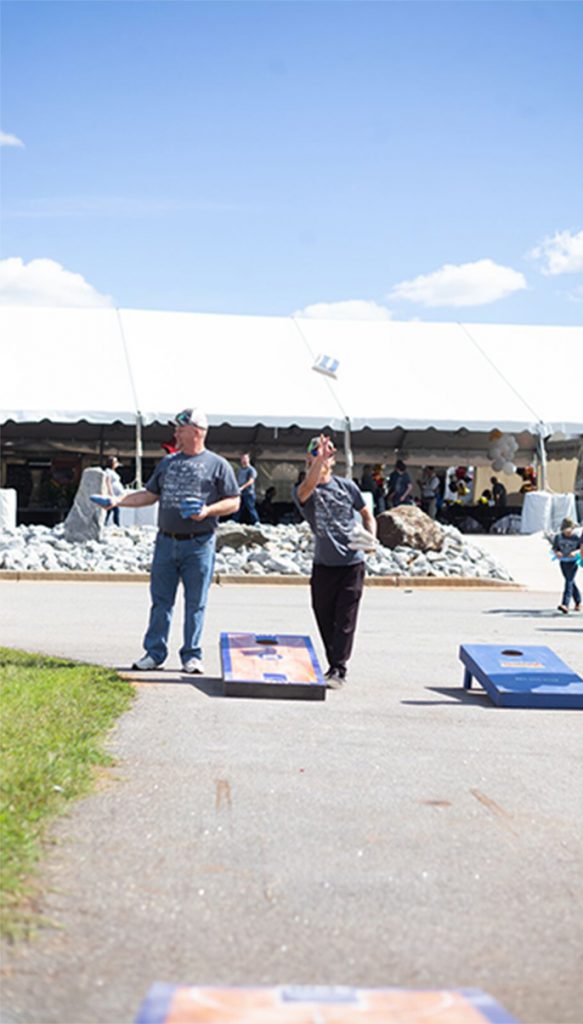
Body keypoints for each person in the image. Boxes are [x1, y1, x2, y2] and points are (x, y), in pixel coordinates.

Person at [103, 407, 240, 673]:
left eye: (181, 427)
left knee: (195, 602)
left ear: (197, 431)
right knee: (160, 601)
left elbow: (234, 502)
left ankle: (191, 655)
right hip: (166, 541)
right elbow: (149, 494)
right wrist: (117, 501)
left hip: (199, 544)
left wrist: (207, 511)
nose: (175, 432)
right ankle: (154, 653)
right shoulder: (168, 463)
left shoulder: (217, 465)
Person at [294, 433, 377, 690]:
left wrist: (371, 538)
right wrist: (319, 456)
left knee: (345, 619)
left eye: (329, 450)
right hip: (324, 565)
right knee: (323, 615)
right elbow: (309, 485)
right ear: (310, 458)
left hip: (352, 563)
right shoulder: (304, 490)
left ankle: (338, 668)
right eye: (317, 451)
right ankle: (333, 663)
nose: (324, 453)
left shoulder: (347, 486)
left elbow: (366, 514)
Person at [552, 517, 581, 614]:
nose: (568, 532)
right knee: (570, 581)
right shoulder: (558, 537)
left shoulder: (576, 538)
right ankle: (578, 601)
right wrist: (557, 552)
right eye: (566, 530)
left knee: (568, 581)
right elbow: (555, 548)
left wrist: (575, 552)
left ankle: (565, 604)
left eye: (570, 530)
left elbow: (580, 549)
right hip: (563, 561)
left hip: (573, 561)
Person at [235, 453, 259, 525]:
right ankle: (234, 520)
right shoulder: (240, 470)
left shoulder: (251, 470)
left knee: (250, 507)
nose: (244, 460)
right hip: (240, 492)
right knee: (238, 507)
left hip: (249, 492)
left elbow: (251, 481)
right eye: (242, 459)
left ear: (248, 459)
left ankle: (256, 521)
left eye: (245, 458)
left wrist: (242, 487)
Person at [103, 456, 124, 525]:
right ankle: (116, 524)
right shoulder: (108, 471)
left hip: (116, 495)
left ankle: (108, 523)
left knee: (113, 510)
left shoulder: (113, 472)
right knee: (114, 510)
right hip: (112, 494)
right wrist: (110, 492)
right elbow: (108, 482)